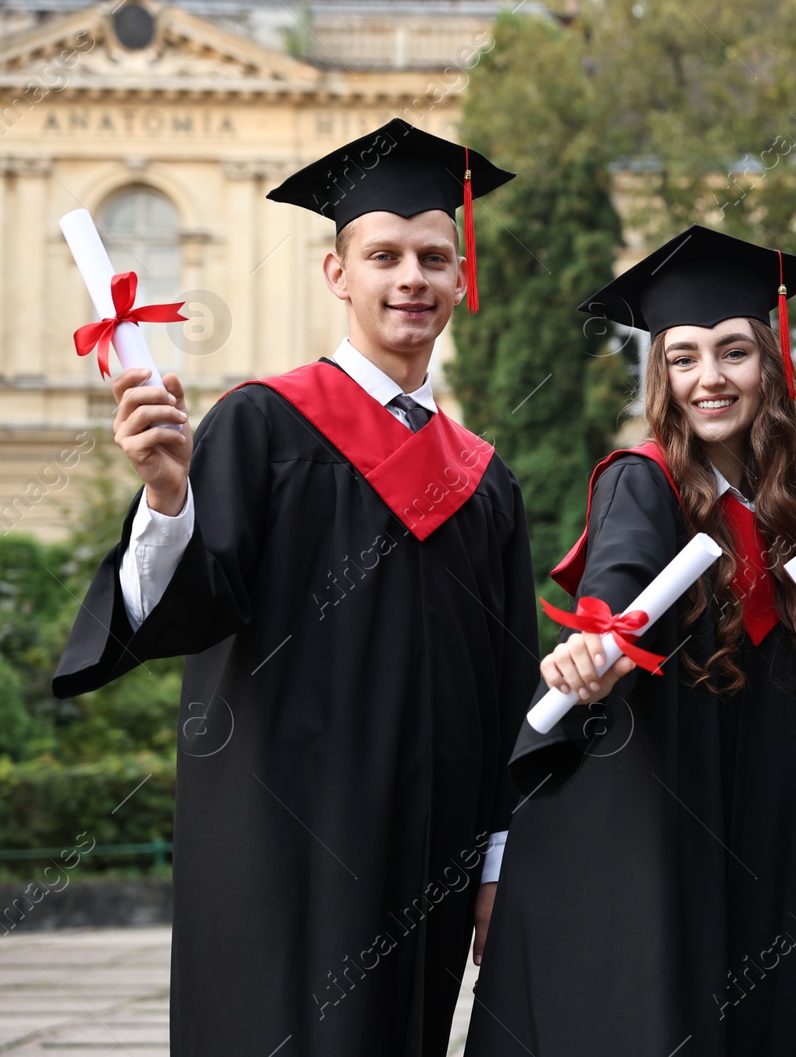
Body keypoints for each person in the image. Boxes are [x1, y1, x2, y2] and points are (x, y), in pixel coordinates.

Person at [52, 119, 535, 1056]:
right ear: (337, 274)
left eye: (435, 257)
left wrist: (498, 866)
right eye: (384, 254)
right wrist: (165, 495)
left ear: (461, 280)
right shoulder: (262, 427)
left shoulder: (486, 479)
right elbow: (185, 609)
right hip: (280, 854)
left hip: (428, 867)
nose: (412, 278)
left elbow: (511, 687)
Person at [467, 225, 796, 1057]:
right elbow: (619, 584)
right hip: (657, 824)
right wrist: (591, 646)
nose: (710, 377)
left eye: (734, 352)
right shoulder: (646, 479)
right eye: (684, 357)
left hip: (756, 835)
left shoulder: (785, 519)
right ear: (661, 375)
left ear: (770, 367)